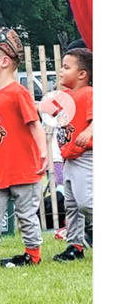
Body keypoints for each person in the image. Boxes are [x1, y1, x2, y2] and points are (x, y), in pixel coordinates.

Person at [0, 28, 49, 268]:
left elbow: (34, 124)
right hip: (1, 169)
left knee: (25, 215)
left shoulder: (18, 93)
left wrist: (43, 152)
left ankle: (33, 255)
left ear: (4, 62)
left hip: (23, 169)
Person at [52, 47, 93, 261]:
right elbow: (43, 109)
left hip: (85, 157)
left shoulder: (88, 93)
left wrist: (89, 131)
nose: (60, 71)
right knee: (72, 206)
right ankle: (75, 246)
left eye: (66, 67)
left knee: (86, 202)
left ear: (82, 74)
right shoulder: (64, 96)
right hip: (68, 158)